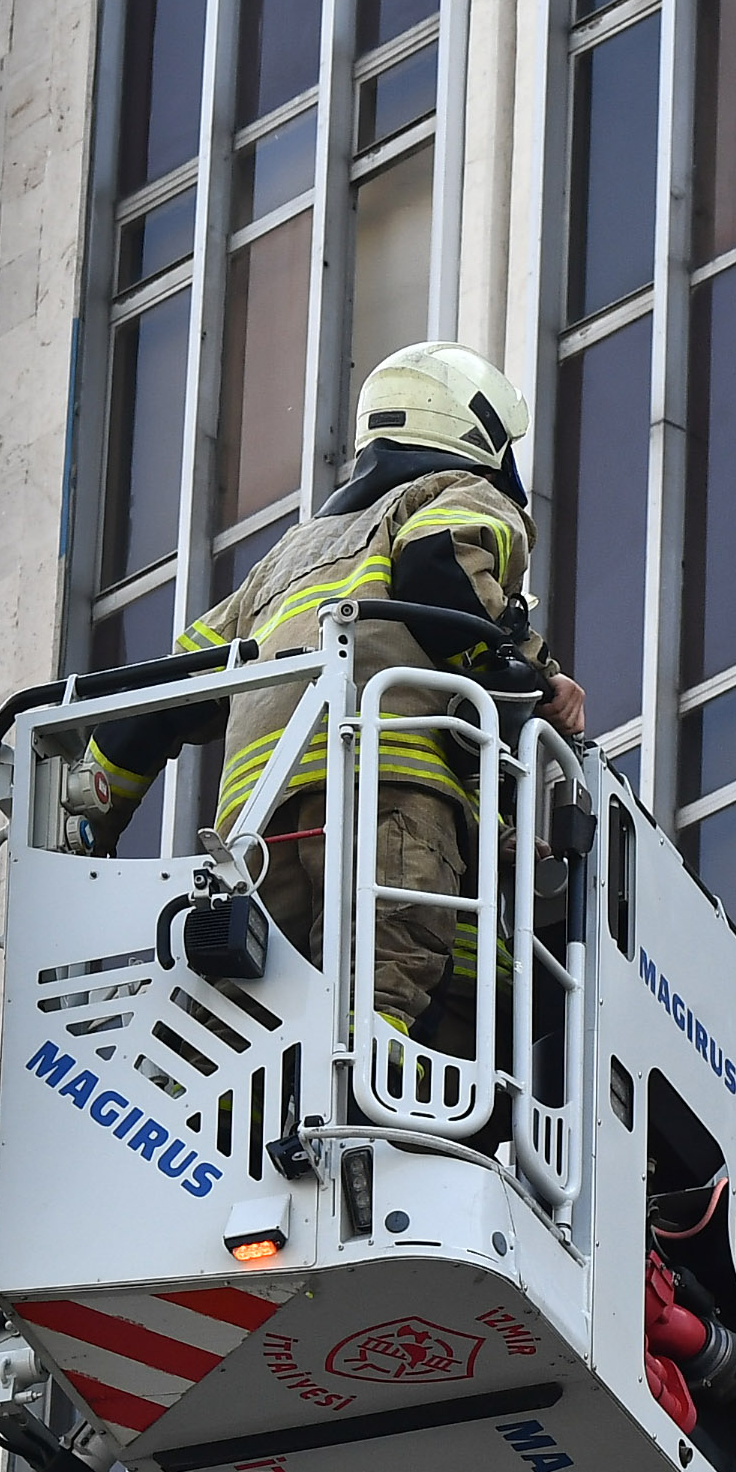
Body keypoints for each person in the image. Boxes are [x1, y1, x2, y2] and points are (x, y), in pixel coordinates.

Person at [73, 343, 588, 1044]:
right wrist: (520, 671)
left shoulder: (284, 560)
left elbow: (166, 692)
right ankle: (373, 1093)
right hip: (388, 786)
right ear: (477, 435)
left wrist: (93, 804)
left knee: (250, 1008)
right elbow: (441, 568)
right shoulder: (457, 495)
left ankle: (240, 1126)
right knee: (380, 972)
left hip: (260, 821)